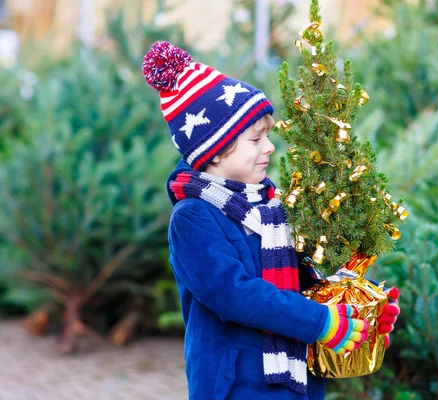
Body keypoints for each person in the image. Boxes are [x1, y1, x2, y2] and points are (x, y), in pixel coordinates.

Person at [142, 41, 399, 400]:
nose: (269, 147)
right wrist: (320, 323)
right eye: (255, 139)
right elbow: (235, 294)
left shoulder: (274, 208)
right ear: (215, 150)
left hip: (296, 383)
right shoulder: (193, 218)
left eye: (267, 136)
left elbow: (308, 278)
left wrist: (359, 312)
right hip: (237, 387)